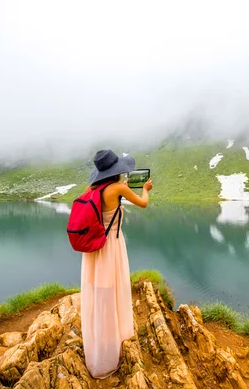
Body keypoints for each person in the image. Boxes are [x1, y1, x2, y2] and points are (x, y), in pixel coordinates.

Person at [81, 149, 153, 379]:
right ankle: (113, 349)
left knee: (98, 295)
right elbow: (142, 204)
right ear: (116, 171)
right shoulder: (119, 188)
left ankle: (98, 349)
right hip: (111, 247)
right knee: (113, 292)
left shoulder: (92, 190)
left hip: (94, 250)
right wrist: (145, 189)